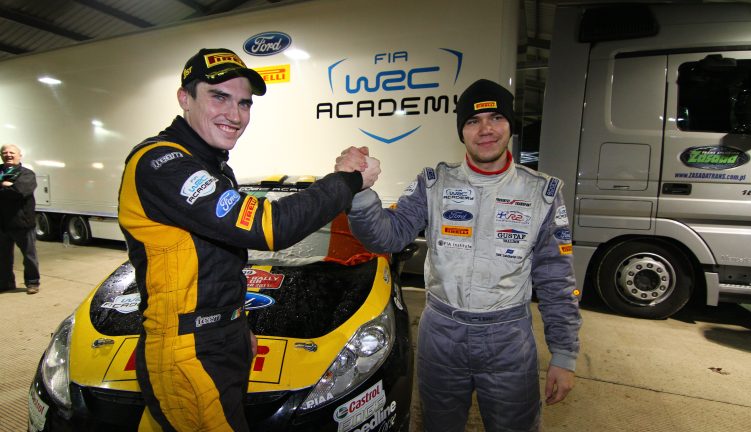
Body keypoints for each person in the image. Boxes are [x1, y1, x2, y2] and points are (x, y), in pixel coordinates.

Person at [118, 48, 379, 432]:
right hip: (188, 351)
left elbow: (214, 264)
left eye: (244, 103)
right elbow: (268, 227)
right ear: (184, 98)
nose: (236, 115)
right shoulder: (161, 164)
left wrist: (235, 324)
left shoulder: (211, 165)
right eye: (219, 97)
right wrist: (347, 180)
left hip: (214, 338)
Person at [341, 79, 582, 432]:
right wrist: (360, 193)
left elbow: (556, 280)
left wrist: (564, 354)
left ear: (510, 125)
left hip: (508, 340)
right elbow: (387, 237)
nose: (485, 129)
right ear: (462, 131)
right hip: (441, 334)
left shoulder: (541, 192)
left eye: (496, 117)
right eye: (473, 121)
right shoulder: (434, 183)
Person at [0, 144, 40, 295]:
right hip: (2, 224)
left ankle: (32, 282)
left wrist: (7, 188)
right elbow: (11, 191)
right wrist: (6, 185)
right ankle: (6, 283)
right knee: (3, 258)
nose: (8, 155)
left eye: (12, 152)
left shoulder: (27, 174)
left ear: (19, 155)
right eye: (5, 152)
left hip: (23, 223)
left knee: (29, 256)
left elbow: (19, 192)